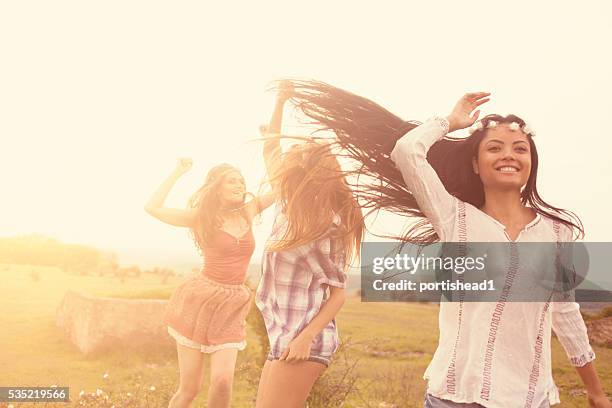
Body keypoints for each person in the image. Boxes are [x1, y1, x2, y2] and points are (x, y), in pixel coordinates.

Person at [286, 81, 610, 407]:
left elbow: (565, 312)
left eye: (519, 148)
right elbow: (406, 151)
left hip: (530, 398)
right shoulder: (455, 218)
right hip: (455, 397)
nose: (508, 155)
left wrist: (594, 390)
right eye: (494, 148)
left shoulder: (556, 233)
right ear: (475, 164)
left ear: (531, 161)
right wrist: (450, 122)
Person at [254, 81, 365, 407]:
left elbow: (338, 292)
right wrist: (280, 101)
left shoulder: (328, 226)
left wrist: (306, 338)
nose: (292, 159)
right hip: (283, 333)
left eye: (301, 157)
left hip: (306, 340)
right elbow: (270, 148)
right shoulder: (287, 205)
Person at [145, 159, 273, 408]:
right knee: (189, 389)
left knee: (223, 382)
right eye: (231, 180)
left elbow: (280, 186)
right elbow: (152, 207)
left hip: (233, 303)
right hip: (200, 300)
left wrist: (274, 140)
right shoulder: (202, 218)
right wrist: (177, 172)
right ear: (217, 188)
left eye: (241, 180)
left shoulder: (249, 210)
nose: (240, 184)